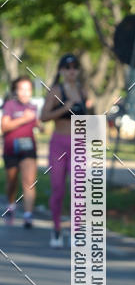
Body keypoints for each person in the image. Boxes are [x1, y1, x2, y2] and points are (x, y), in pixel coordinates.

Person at [40, 53, 90, 247]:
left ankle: (76, 230)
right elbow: (43, 117)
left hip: (78, 144)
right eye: (67, 67)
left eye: (75, 67)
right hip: (58, 143)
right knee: (58, 188)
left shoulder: (83, 91)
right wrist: (64, 108)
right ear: (61, 70)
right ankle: (56, 229)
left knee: (78, 190)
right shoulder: (56, 91)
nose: (71, 71)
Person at [2, 76, 41, 227]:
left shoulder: (33, 107)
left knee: (29, 181)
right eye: (21, 89)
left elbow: (36, 122)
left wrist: (39, 125)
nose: (25, 93)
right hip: (11, 148)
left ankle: (28, 214)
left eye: (28, 89)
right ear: (16, 91)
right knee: (12, 180)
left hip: (28, 148)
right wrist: (24, 119)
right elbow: (4, 127)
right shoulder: (10, 106)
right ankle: (11, 204)